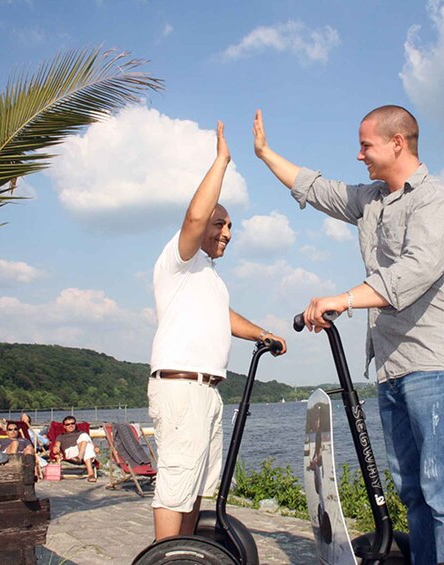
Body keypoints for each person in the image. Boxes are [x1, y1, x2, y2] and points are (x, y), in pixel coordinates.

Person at [254, 106, 444, 564]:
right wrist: (263, 154)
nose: (359, 155)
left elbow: (413, 272)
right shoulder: (373, 200)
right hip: (392, 365)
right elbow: (317, 189)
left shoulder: (437, 201)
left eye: (366, 145)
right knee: (414, 491)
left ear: (397, 142)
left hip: (437, 363)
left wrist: (345, 298)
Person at [148, 120, 287, 541]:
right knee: (176, 488)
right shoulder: (180, 259)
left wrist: (263, 334)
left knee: (194, 491)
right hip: (181, 387)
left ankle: (186, 554)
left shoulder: (207, 276)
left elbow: (224, 317)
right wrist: (222, 161)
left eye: (230, 228)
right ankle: (164, 555)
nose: (226, 232)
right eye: (219, 224)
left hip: (207, 391)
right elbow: (193, 215)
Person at [51, 416, 98, 482]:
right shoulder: (61, 436)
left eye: (72, 423)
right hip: (71, 452)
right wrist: (56, 448)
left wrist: (95, 447)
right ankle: (91, 474)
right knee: (85, 439)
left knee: (85, 438)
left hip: (82, 452)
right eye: (68, 424)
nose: (71, 425)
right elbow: (56, 446)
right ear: (64, 426)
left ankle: (81, 460)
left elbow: (91, 444)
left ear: (75, 424)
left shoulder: (81, 433)